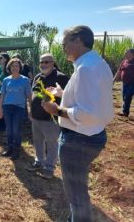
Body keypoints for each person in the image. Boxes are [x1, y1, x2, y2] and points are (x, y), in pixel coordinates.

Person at [41, 25, 114, 221]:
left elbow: (87, 113)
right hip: (91, 134)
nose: (63, 48)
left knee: (77, 196)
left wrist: (56, 110)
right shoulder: (98, 64)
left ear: (78, 41)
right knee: (78, 191)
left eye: (65, 43)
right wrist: (64, 94)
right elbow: (94, 102)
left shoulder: (85, 69)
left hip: (78, 140)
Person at [27, 53, 69, 179]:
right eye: (41, 62)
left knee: (52, 143)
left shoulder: (61, 77)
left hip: (51, 119)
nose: (43, 64)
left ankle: (49, 167)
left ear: (53, 62)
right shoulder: (38, 77)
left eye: (46, 62)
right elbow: (32, 95)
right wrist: (30, 110)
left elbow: (68, 98)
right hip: (36, 117)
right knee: (38, 141)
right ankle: (39, 161)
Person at [0, 58, 32, 160]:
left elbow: (29, 96)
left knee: (16, 130)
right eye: (13, 66)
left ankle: (16, 150)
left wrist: (30, 110)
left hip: (19, 108)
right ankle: (10, 148)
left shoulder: (25, 80)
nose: (15, 68)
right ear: (9, 68)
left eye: (17, 66)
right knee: (9, 129)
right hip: (7, 107)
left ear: (20, 67)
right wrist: (0, 108)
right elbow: (2, 95)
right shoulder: (6, 80)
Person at [113, 48, 134, 117]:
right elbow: (119, 72)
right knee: (124, 96)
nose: (125, 54)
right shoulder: (124, 62)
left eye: (127, 52)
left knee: (127, 96)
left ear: (132, 54)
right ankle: (125, 111)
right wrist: (113, 80)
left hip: (132, 83)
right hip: (125, 83)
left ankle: (125, 112)